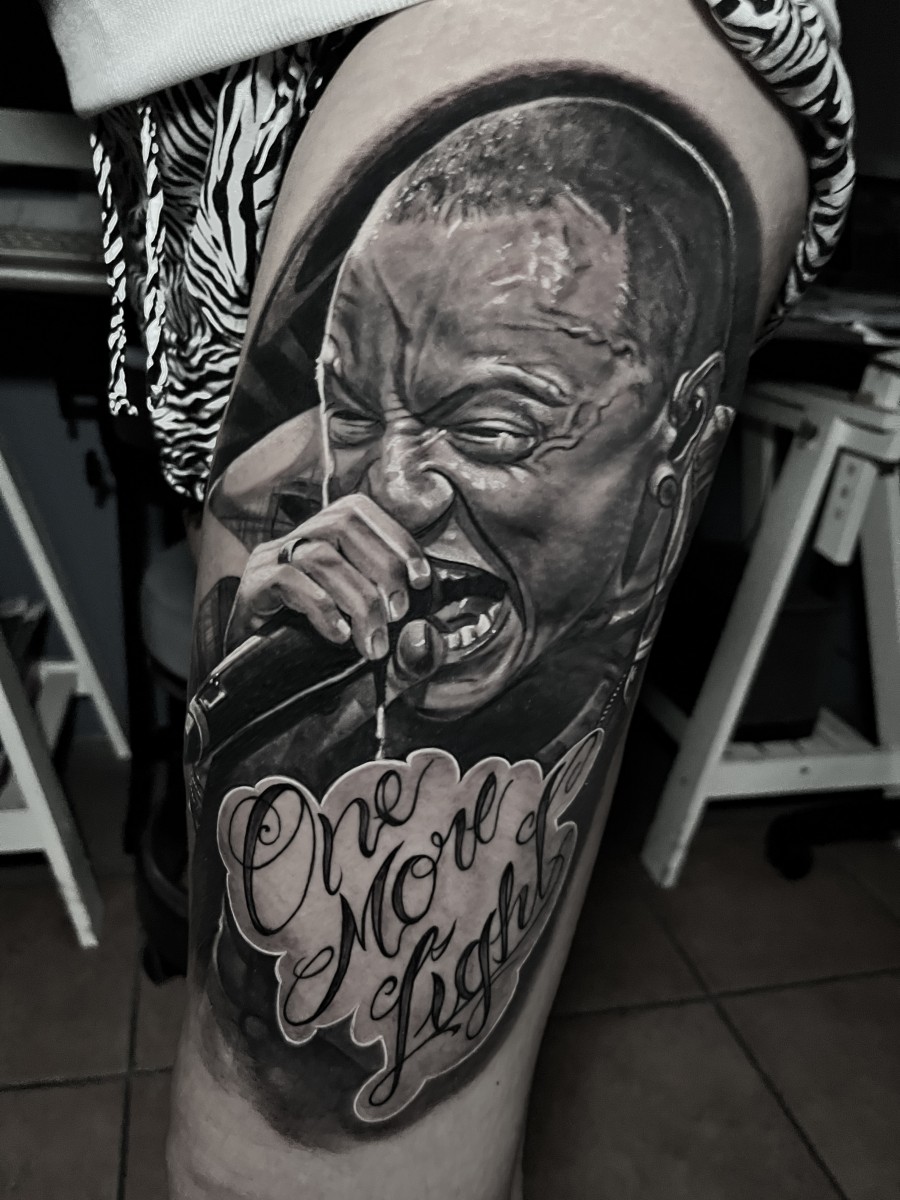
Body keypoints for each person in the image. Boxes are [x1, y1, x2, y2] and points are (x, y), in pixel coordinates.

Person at [43, 0, 854, 1196]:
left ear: (670, 454)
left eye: (491, 428)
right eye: (351, 415)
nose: (389, 492)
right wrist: (255, 683)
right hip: (220, 130)